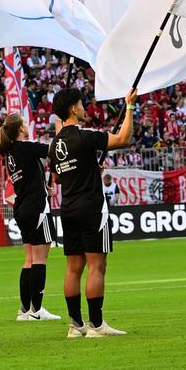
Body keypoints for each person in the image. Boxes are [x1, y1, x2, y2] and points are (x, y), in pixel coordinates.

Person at [51, 86, 135, 338]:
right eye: (81, 104)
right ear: (73, 109)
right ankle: (96, 325)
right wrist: (129, 106)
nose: (84, 107)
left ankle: (75, 326)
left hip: (68, 209)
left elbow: (57, 177)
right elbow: (123, 139)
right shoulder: (86, 136)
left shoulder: (54, 144)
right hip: (91, 207)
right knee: (97, 265)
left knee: (72, 267)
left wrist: (87, 168)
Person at [0, 112, 60, 321]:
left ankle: (24, 310)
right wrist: (60, 130)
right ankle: (37, 310)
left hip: (22, 208)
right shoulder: (25, 146)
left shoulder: (11, 153)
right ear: (20, 129)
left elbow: (27, 179)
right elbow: (55, 151)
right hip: (36, 208)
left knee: (29, 259)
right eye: (24, 123)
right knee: (41, 258)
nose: (27, 124)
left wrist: (43, 188)